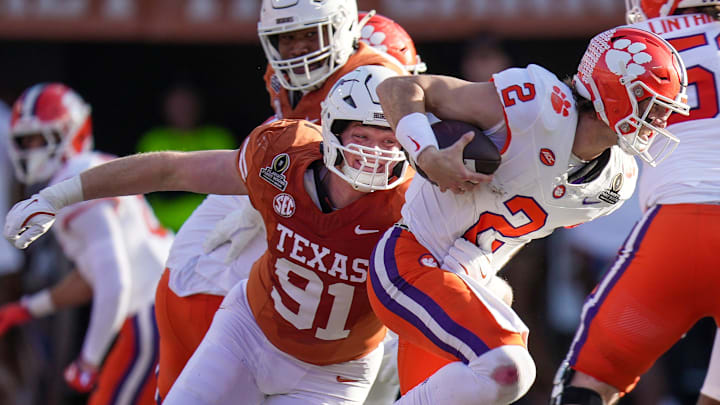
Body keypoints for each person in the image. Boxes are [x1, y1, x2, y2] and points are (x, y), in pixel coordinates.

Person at [4, 65, 415, 404]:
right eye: (362, 136)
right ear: (332, 131)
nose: (374, 153)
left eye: (387, 140)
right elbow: (171, 169)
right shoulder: (281, 157)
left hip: (335, 371)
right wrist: (59, 196)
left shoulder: (415, 201)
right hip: (250, 331)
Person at [367, 26, 690, 405]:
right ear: (615, 91)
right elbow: (398, 89)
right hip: (411, 259)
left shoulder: (615, 183)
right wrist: (425, 153)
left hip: (461, 282)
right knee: (509, 365)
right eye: (652, 105)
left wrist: (481, 276)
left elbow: (513, 227)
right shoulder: (536, 106)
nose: (660, 121)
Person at [150, 2, 414, 402]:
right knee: (186, 276)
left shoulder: (376, 84)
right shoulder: (284, 80)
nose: (298, 49)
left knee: (391, 339)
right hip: (298, 197)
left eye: (310, 35)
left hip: (361, 230)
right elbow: (274, 149)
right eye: (287, 38)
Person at [551, 2, 720, 404]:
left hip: (680, 230)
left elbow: (581, 123)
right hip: (680, 220)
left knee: (589, 384)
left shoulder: (637, 45)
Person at [0, 83, 173, 405]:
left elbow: (114, 282)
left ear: (69, 133)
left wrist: (88, 360)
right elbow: (92, 275)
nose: (30, 149)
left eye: (41, 138)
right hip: (157, 306)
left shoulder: (73, 180)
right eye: (24, 141)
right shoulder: (82, 172)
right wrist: (27, 308)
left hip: (153, 310)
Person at [135, 82, 236, 232]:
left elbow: (231, 188)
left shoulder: (217, 138)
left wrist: (173, 177)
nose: (183, 110)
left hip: (213, 230)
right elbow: (156, 192)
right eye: (177, 105)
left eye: (187, 104)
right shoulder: (153, 140)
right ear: (166, 107)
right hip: (166, 231)